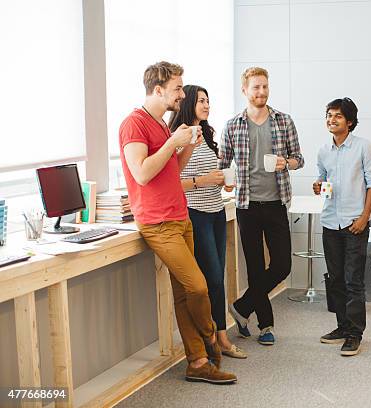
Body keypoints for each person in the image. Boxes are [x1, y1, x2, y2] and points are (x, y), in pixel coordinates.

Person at [119, 61, 236, 384]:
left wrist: (186, 148)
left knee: (185, 294)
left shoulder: (158, 124)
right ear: (158, 90)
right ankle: (210, 336)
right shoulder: (134, 124)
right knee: (198, 286)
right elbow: (141, 173)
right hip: (158, 222)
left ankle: (198, 362)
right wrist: (173, 142)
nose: (182, 95)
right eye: (177, 89)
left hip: (180, 216)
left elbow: (171, 169)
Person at [219, 67, 304, 346]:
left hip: (276, 202)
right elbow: (222, 164)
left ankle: (242, 307)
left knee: (281, 266)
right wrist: (225, 181)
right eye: (256, 87)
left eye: (265, 86)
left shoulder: (283, 121)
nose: (261, 92)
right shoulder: (232, 125)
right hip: (246, 206)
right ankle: (265, 325)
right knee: (255, 267)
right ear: (244, 90)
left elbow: (298, 158)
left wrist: (286, 163)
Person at [169, 85, 247, 359]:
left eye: (208, 101)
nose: (207, 105)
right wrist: (203, 181)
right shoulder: (177, 138)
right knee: (211, 278)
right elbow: (170, 184)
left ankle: (222, 337)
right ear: (189, 103)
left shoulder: (207, 134)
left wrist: (223, 182)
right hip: (195, 216)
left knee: (219, 279)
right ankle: (211, 338)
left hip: (217, 213)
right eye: (202, 101)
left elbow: (211, 172)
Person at [314, 97, 371, 356]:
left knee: (354, 280)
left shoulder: (364, 147)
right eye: (329, 115)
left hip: (355, 222)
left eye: (338, 116)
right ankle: (342, 326)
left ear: (349, 122)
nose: (332, 119)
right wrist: (318, 185)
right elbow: (323, 179)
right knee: (336, 278)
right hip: (330, 220)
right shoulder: (323, 151)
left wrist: (364, 217)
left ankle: (355, 333)